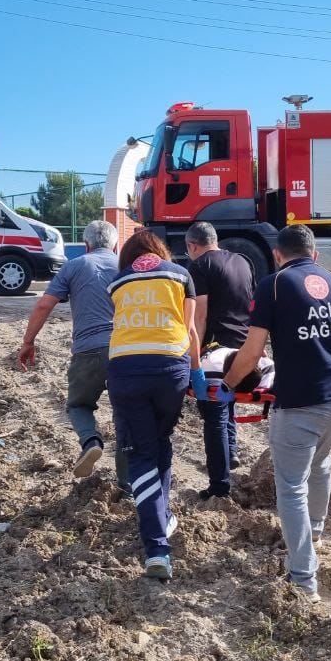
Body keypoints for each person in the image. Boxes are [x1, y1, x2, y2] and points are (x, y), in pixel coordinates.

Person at [222, 225, 331, 602]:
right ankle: (316, 530)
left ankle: (303, 579)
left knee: (291, 486)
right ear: (314, 255)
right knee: (322, 462)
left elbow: (250, 353)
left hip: (300, 400)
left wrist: (227, 386)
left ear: (278, 256)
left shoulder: (274, 284)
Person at [106, 230, 204, 580]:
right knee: (161, 441)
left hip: (126, 370)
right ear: (160, 250)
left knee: (142, 454)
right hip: (170, 368)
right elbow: (190, 329)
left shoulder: (118, 281)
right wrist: (197, 373)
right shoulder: (180, 275)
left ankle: (156, 548)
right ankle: (161, 517)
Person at [16, 220, 129, 493]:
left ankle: (91, 441)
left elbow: (44, 304)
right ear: (115, 245)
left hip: (88, 351)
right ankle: (126, 484)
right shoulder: (126, 267)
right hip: (126, 352)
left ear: (86, 245)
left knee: (79, 405)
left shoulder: (74, 266)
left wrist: (28, 342)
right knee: (126, 416)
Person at [185, 222, 254, 499]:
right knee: (229, 401)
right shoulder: (243, 261)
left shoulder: (200, 266)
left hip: (215, 351)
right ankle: (232, 450)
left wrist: (195, 356)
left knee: (213, 415)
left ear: (192, 246)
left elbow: (199, 316)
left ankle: (219, 487)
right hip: (243, 349)